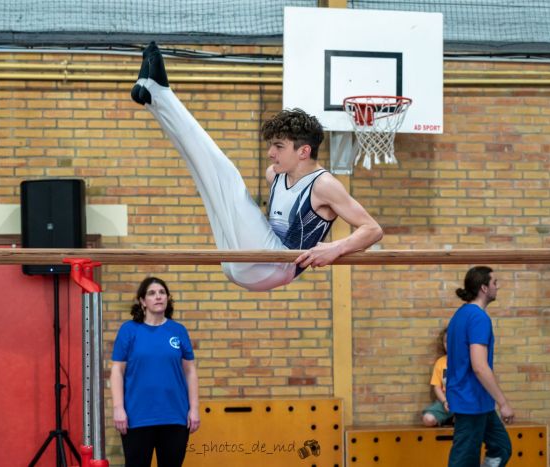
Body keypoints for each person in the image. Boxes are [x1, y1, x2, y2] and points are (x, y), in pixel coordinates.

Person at [130, 42, 383, 291]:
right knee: (205, 177)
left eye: (279, 147)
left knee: (225, 177)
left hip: (276, 266)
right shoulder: (274, 176)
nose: (271, 153)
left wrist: (335, 247)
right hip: (242, 262)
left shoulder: (323, 185)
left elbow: (373, 229)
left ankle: (160, 92)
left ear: (304, 151)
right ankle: (154, 100)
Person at [110, 277, 200, 467]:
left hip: (175, 417)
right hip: (137, 417)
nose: (158, 297)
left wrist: (194, 409)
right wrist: (118, 408)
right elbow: (117, 370)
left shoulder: (178, 331)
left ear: (167, 298)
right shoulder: (129, 330)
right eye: (151, 293)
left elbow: (190, 371)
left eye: (162, 292)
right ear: (142, 301)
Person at [446, 266, 513, 467]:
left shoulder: (462, 314)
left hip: (479, 402)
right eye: (494, 283)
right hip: (470, 402)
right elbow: (479, 366)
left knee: (501, 447)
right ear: (484, 288)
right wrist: (503, 403)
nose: (497, 287)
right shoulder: (478, 318)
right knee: (464, 461)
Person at [421, 326, 453, 427]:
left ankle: (453, 419)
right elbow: (437, 387)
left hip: (463, 403)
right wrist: (444, 402)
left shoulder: (467, 361)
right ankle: (446, 418)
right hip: (445, 402)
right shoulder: (440, 362)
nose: (449, 345)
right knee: (428, 419)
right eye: (446, 342)